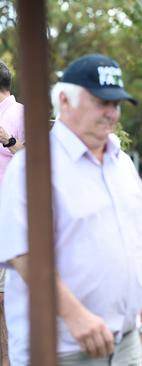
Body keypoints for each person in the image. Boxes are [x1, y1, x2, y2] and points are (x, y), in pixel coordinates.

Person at [0, 53, 142, 365]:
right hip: (61, 347)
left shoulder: (122, 163)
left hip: (125, 342)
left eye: (116, 104)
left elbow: (134, 249)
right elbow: (23, 255)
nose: (111, 113)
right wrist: (76, 317)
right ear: (65, 100)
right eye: (100, 102)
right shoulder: (34, 167)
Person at [0, 59, 25, 366]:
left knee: (5, 298)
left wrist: (8, 139)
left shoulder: (22, 113)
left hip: (10, 213)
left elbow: (37, 159)